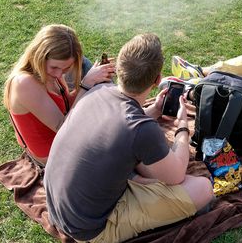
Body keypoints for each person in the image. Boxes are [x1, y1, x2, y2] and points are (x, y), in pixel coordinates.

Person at [44, 33, 214, 243]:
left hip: (60, 208)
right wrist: (182, 126)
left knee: (146, 168)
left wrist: (153, 111)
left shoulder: (97, 91)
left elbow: (117, 126)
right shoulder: (141, 129)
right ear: (157, 79)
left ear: (119, 69)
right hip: (91, 229)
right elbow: (177, 174)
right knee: (202, 188)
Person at [3, 24, 114, 166]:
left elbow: (66, 103)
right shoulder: (24, 83)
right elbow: (64, 129)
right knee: (117, 140)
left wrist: (94, 82)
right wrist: (86, 85)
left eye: (66, 68)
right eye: (54, 67)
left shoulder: (50, 72)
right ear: (39, 56)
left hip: (66, 139)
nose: (59, 74)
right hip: (52, 155)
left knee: (115, 126)